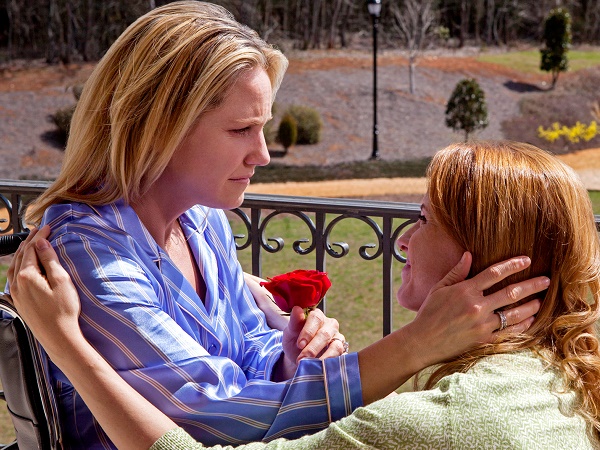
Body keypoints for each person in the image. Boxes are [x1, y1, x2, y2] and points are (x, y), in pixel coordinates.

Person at [12, 1, 542, 447]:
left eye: (262, 128)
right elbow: (212, 418)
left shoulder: (202, 223)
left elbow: (248, 347)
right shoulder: (86, 252)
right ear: (159, 128)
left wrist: (288, 361)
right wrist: (417, 344)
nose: (262, 154)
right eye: (241, 129)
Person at [10, 140, 574, 449]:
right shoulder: (555, 380)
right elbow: (241, 362)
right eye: (240, 129)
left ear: (484, 259)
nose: (263, 152)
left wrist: (64, 343)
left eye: (423, 219)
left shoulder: (441, 422)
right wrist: (290, 360)